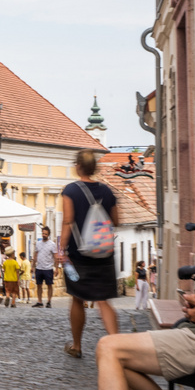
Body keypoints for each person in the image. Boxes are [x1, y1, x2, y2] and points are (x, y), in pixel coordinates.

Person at [59, 149, 120, 359]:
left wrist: (61, 250)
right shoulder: (108, 191)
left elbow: (68, 221)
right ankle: (117, 346)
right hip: (104, 253)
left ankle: (76, 345)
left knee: (77, 298)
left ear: (77, 166)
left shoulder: (70, 191)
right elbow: (116, 221)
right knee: (104, 300)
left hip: (78, 255)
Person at [32, 225, 58, 308]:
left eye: (45, 234)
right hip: (39, 267)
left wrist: (56, 268)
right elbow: (35, 255)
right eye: (43, 233)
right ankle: (39, 301)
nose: (44, 235)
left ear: (48, 235)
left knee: (49, 285)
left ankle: (49, 301)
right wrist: (33, 266)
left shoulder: (52, 244)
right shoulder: (38, 244)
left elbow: (55, 257)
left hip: (48, 268)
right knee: (39, 285)